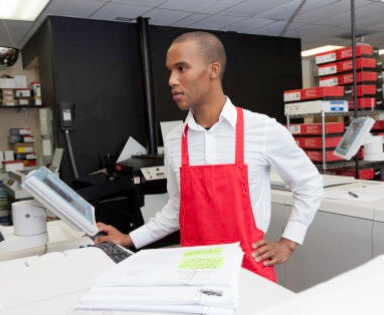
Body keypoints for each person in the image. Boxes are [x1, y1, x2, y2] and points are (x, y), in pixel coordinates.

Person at [95, 31, 323, 282]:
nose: (172, 80)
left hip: (249, 272)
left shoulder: (262, 129)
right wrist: (129, 239)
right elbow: (176, 209)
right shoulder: (174, 142)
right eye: (170, 71)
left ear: (213, 70)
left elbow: (309, 184)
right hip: (195, 272)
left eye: (181, 68)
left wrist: (288, 242)